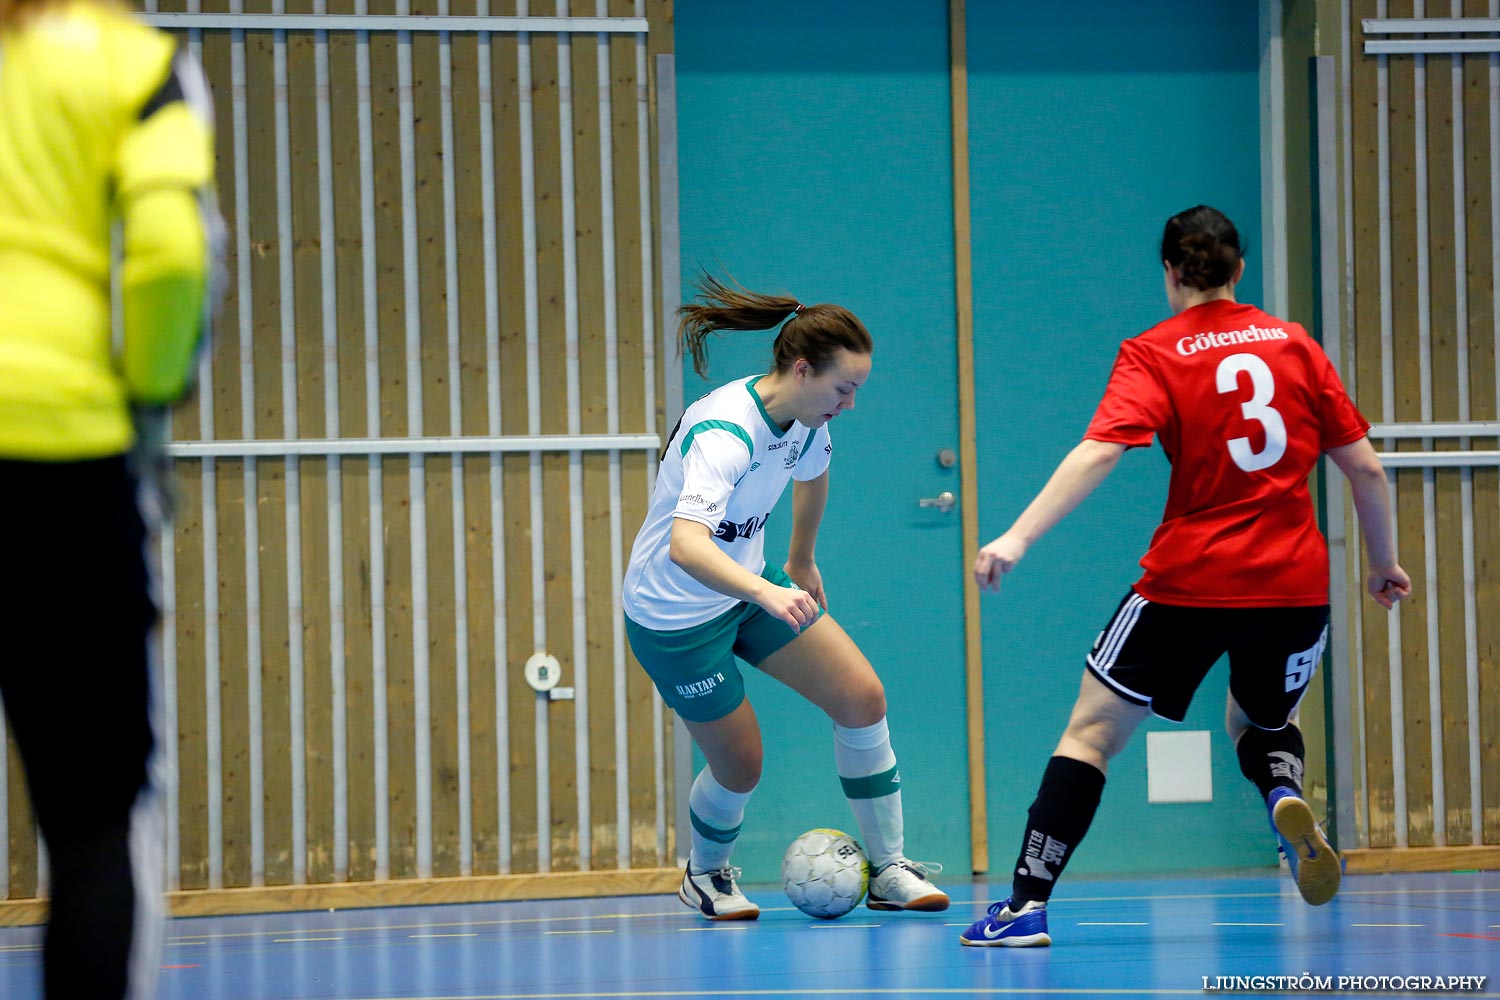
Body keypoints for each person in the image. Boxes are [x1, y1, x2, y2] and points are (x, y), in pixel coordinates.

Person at [959, 206, 1411, 948]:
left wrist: (1018, 535)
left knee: (1091, 734)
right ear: (1239, 271)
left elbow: (1102, 451)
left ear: (1170, 272)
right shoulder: (1294, 344)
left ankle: (1024, 907)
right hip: (1294, 584)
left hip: (1189, 580)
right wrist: (1382, 563)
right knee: (1261, 722)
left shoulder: (1155, 352)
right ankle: (1284, 792)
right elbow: (1363, 464)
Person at [0, 0, 221, 993]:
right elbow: (175, 252)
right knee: (95, 818)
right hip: (60, 461)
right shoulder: (132, 63)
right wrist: (150, 389)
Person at [623, 274, 950, 920]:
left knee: (862, 698)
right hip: (675, 618)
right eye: (844, 389)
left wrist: (800, 559)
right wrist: (765, 593)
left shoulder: (804, 417)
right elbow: (686, 547)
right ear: (802, 369)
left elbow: (813, 472)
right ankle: (706, 874)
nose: (850, 404)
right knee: (742, 767)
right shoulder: (726, 433)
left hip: (745, 584)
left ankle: (887, 869)